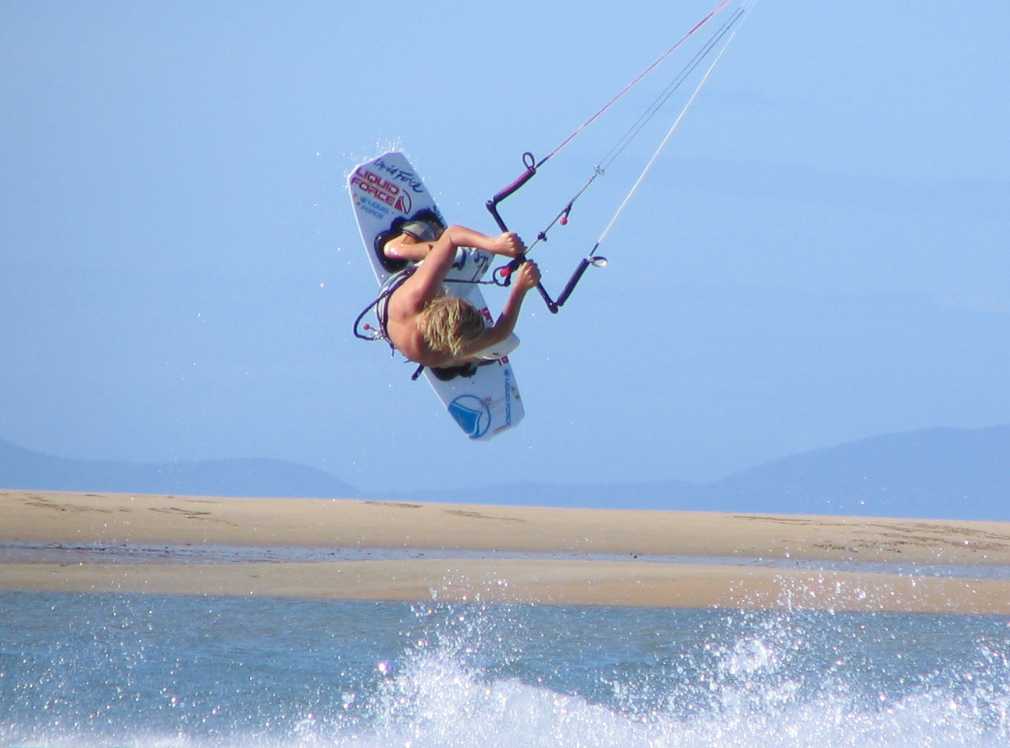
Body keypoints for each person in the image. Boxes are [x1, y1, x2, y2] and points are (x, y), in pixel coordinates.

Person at [380, 223, 541, 373]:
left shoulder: (418, 296)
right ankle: (469, 360)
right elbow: (500, 333)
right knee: (506, 343)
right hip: (418, 330)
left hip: (394, 295)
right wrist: (520, 288)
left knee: (468, 254)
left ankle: (396, 248)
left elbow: (452, 235)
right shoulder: (436, 354)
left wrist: (494, 244)